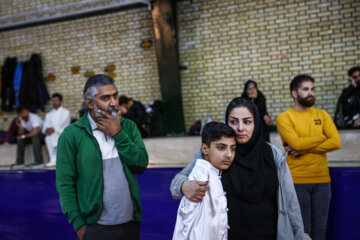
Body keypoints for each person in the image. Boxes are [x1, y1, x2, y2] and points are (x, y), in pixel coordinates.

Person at [170, 97, 310, 240]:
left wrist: (300, 236)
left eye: (247, 122)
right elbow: (177, 182)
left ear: (256, 123)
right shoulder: (216, 153)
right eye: (233, 122)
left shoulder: (273, 155)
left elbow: (291, 204)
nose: (240, 128)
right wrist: (183, 186)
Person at [56, 74, 148, 240]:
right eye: (105, 98)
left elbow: (141, 165)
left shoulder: (128, 127)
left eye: (115, 96)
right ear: (90, 103)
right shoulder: (72, 135)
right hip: (95, 227)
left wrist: (118, 134)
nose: (113, 103)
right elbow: (65, 184)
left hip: (130, 223)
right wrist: (79, 224)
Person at [277, 74, 341, 240]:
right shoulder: (284, 118)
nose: (310, 93)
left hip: (322, 180)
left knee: (320, 229)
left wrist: (306, 149)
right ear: (294, 93)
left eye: (312, 89)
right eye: (305, 89)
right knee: (301, 229)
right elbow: (296, 145)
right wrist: (321, 137)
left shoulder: (322, 115)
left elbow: (336, 142)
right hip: (297, 181)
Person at [173, 122, 236, 240]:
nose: (229, 155)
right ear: (205, 149)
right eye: (221, 148)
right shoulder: (201, 177)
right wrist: (182, 185)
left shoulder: (215, 173)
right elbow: (190, 228)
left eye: (233, 149)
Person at [42, 93, 71, 167]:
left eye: (56, 100)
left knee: (55, 136)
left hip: (63, 132)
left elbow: (65, 125)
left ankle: (59, 160)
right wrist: (46, 130)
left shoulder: (66, 112)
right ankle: (53, 160)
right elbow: (45, 126)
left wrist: (53, 129)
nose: (54, 103)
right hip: (52, 134)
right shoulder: (49, 114)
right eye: (53, 101)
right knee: (48, 137)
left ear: (61, 101)